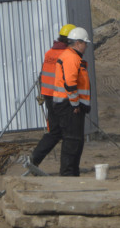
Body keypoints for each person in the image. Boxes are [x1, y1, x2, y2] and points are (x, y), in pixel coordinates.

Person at [28, 23, 75, 167]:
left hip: (49, 96)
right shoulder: (66, 55)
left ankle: (35, 158)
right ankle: (68, 167)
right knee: (69, 133)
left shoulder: (49, 52)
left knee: (55, 132)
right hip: (61, 99)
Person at [50, 26, 91, 176]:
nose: (86, 46)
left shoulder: (71, 57)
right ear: (78, 43)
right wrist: (75, 104)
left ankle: (72, 172)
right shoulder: (71, 58)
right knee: (72, 141)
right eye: (85, 43)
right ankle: (68, 174)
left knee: (75, 141)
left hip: (70, 105)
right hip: (69, 106)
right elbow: (71, 84)